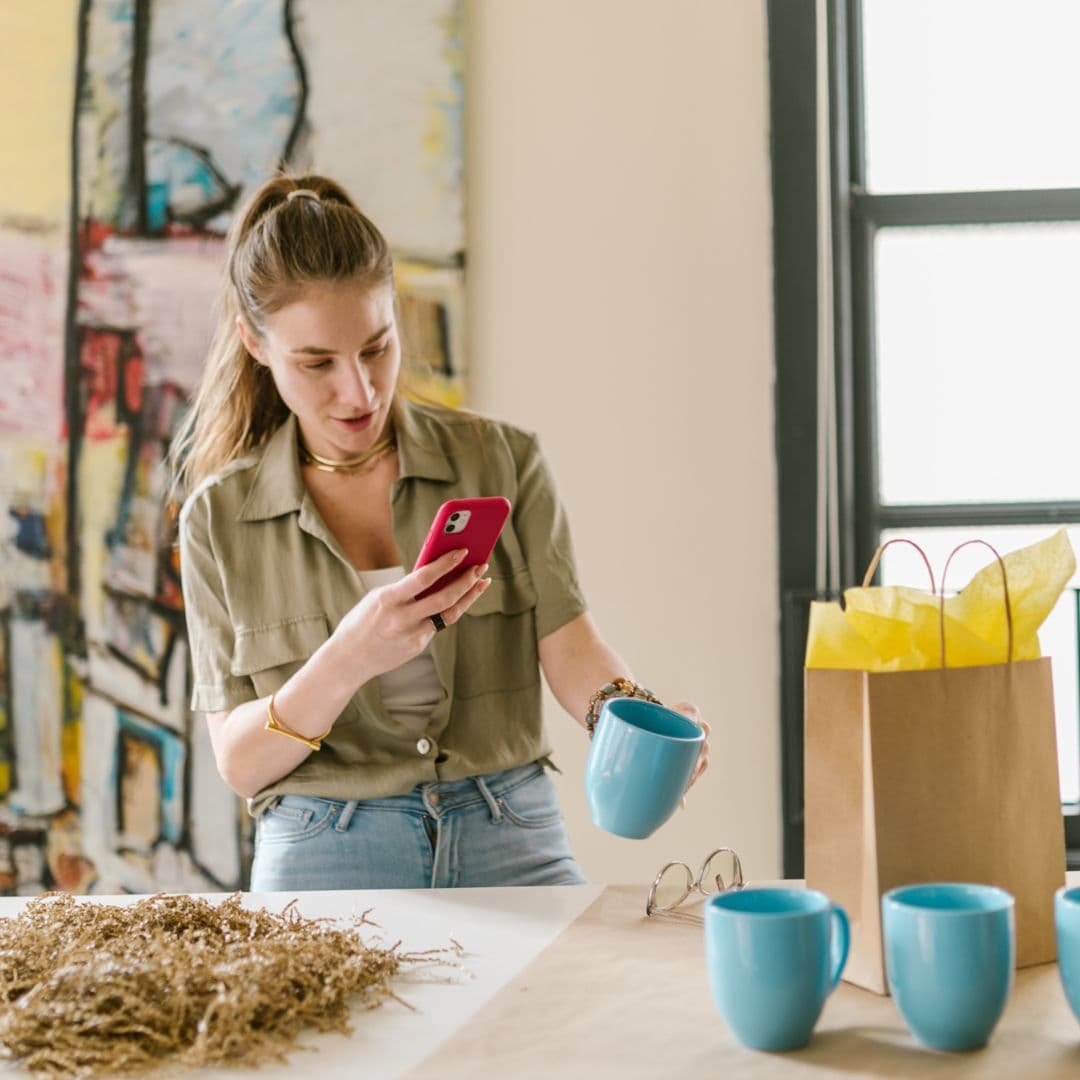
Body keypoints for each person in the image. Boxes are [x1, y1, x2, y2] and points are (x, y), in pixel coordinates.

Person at [173, 174, 710, 891]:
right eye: (317, 363)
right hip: (324, 844)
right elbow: (240, 764)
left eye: (377, 347)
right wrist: (350, 655)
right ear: (256, 344)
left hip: (509, 828)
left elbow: (570, 644)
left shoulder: (501, 460)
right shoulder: (217, 518)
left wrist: (634, 719)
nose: (359, 390)